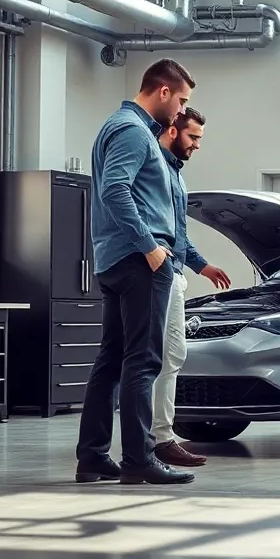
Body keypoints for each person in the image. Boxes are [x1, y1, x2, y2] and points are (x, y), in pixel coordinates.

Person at [75, 58, 198, 486]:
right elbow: (113, 190)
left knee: (110, 361)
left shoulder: (116, 125)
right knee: (142, 362)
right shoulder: (133, 131)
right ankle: (139, 459)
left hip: (114, 259)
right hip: (138, 262)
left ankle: (92, 457)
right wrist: (150, 248)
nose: (181, 111)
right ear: (163, 92)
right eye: (181, 100)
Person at [149, 107, 232, 469]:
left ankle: (160, 436)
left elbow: (178, 232)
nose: (197, 145)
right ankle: (159, 439)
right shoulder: (155, 170)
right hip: (159, 273)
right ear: (171, 131)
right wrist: (157, 255)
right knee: (161, 358)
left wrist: (202, 265)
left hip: (174, 271)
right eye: (193, 137)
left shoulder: (176, 175)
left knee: (171, 357)